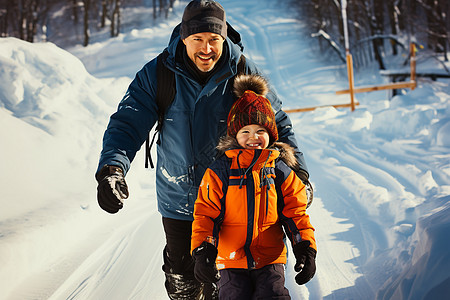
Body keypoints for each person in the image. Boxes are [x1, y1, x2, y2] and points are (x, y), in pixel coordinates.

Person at [95, 0, 312, 299]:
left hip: (235, 199)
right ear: (183, 38)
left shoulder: (242, 72)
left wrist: (297, 171)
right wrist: (112, 168)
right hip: (179, 200)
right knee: (183, 280)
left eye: (214, 40)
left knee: (227, 283)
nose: (206, 48)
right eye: (197, 39)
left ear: (224, 38)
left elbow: (277, 124)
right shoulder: (159, 73)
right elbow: (127, 123)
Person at [190, 74, 317, 299]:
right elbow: (205, 214)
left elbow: (295, 212)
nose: (253, 137)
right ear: (234, 134)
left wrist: (304, 247)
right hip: (229, 260)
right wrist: (204, 249)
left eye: (260, 131)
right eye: (245, 131)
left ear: (271, 134)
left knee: (274, 294)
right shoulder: (220, 171)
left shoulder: (280, 170)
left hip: (269, 259)